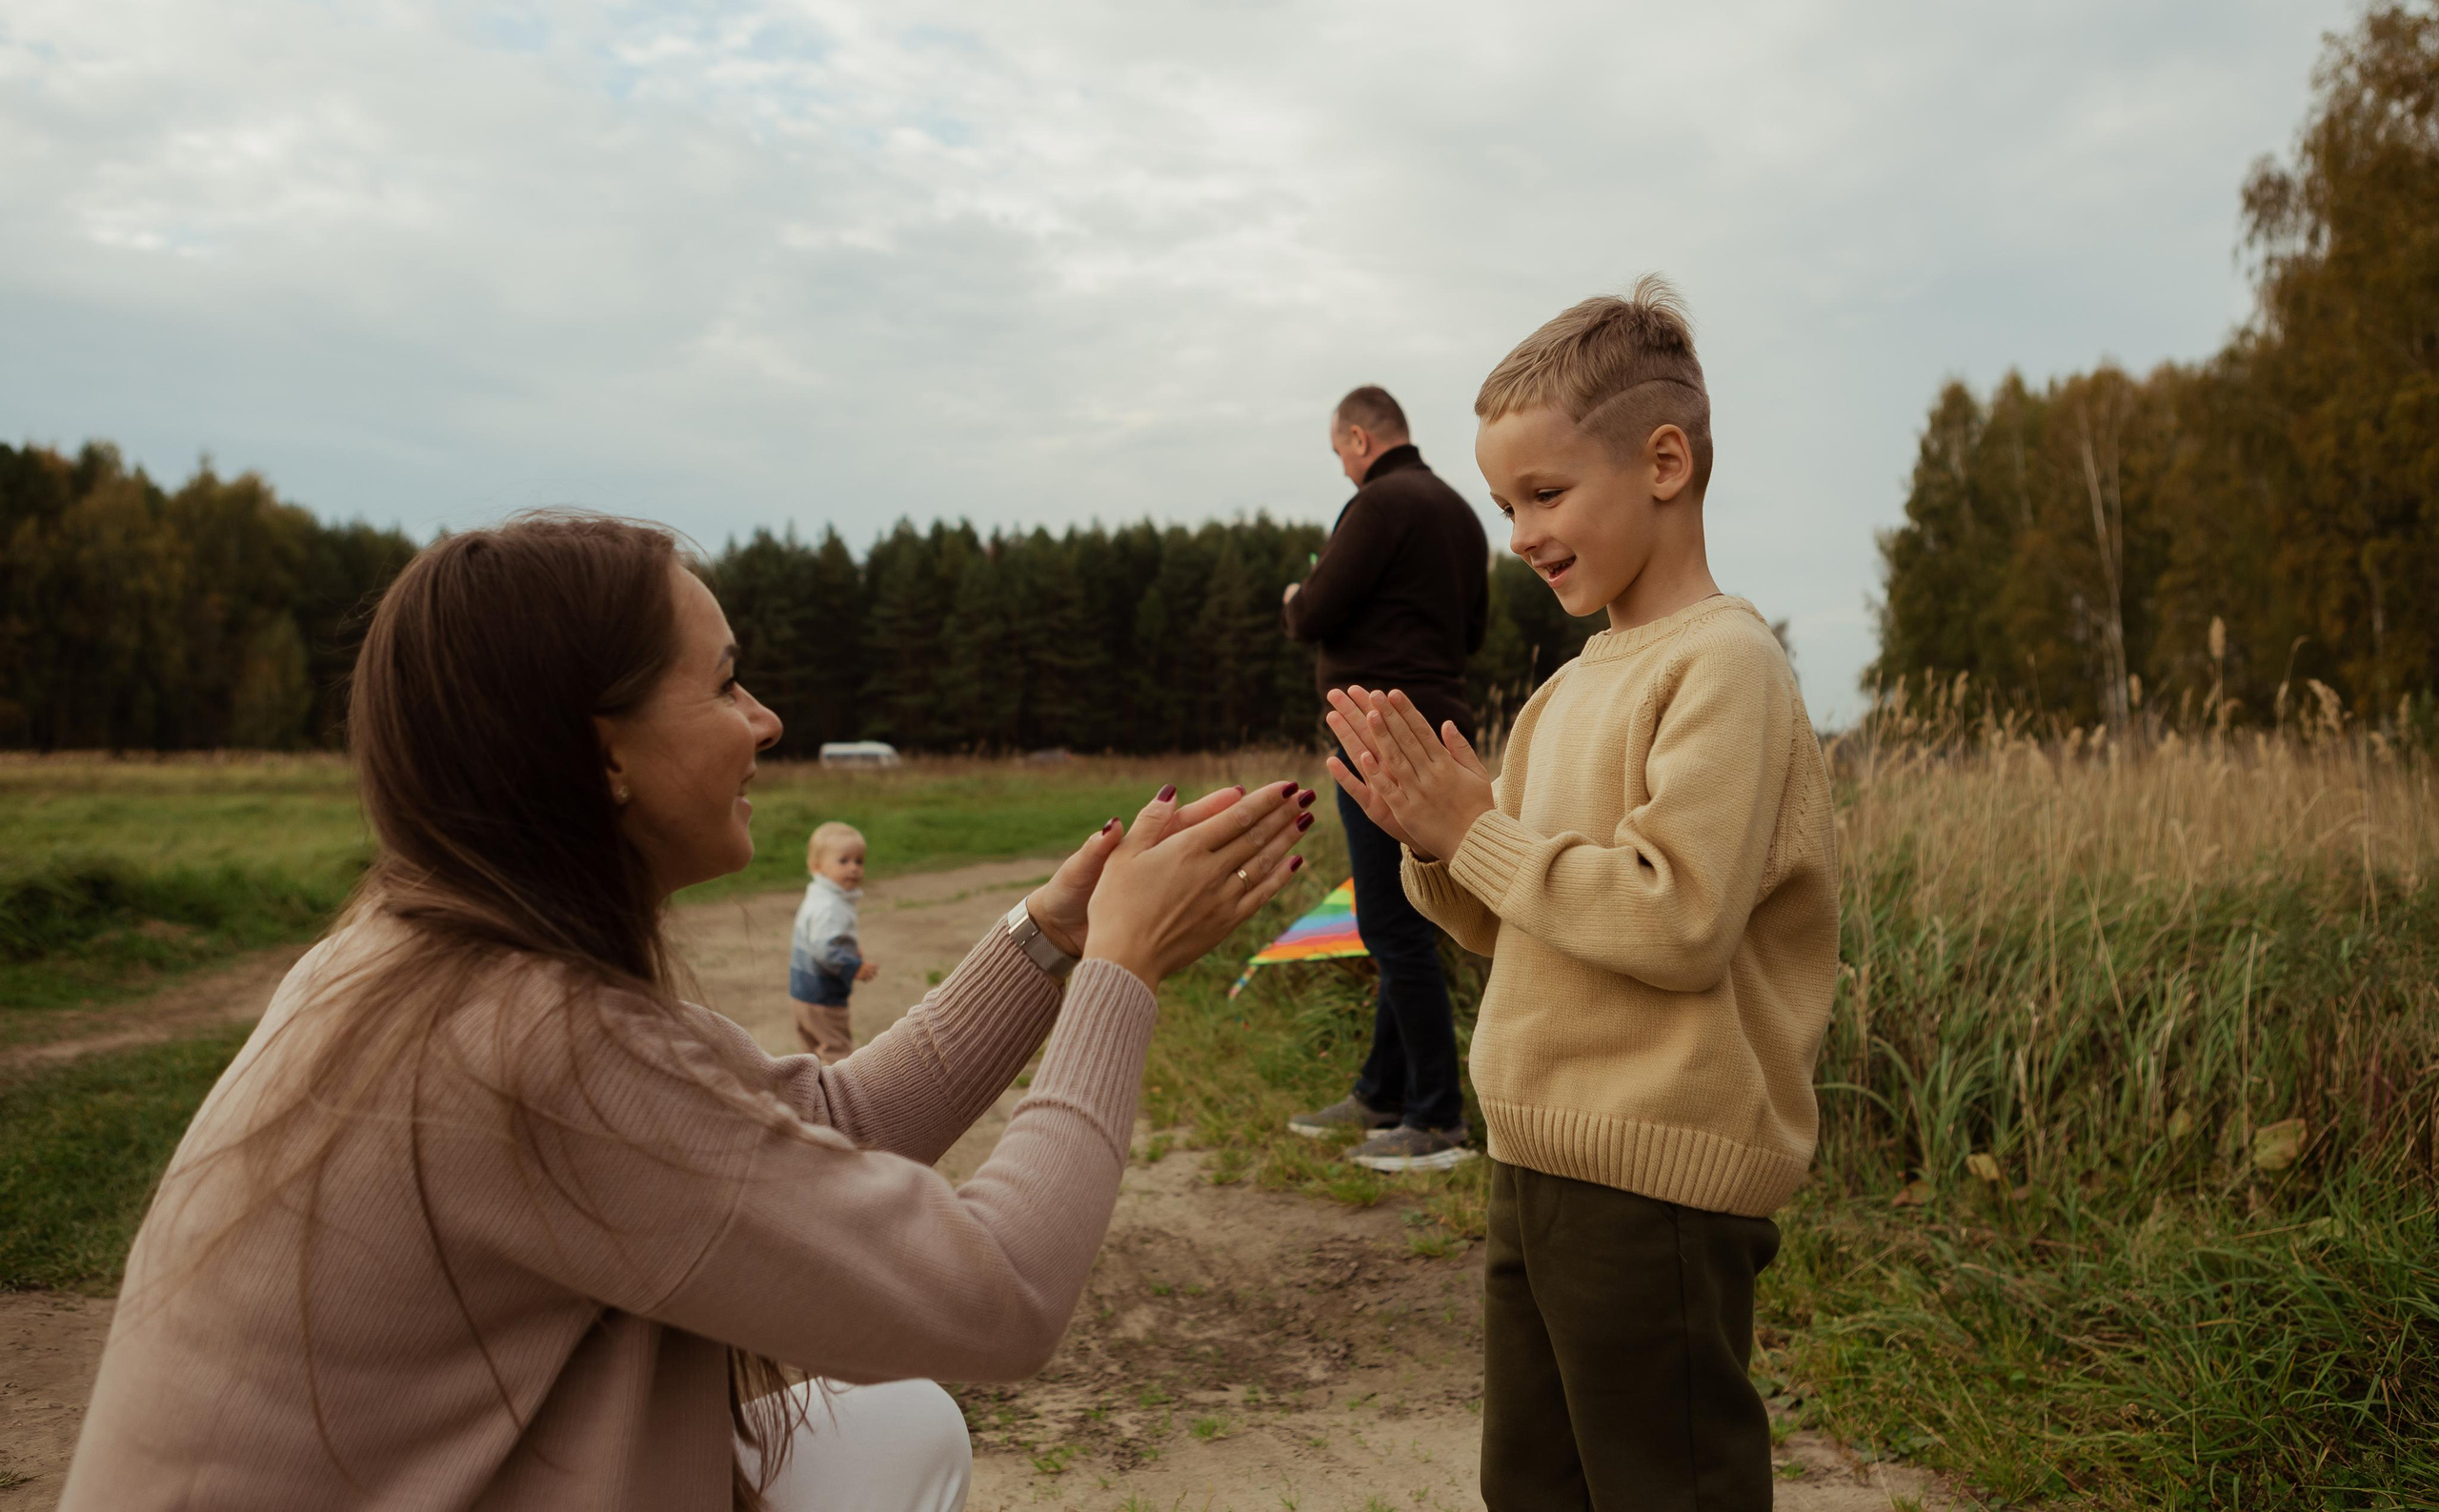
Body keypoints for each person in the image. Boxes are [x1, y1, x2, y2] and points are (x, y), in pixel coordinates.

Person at [61, 514, 1315, 1512]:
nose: (765, 720)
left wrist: (1052, 938)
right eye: (724, 685)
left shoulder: (423, 951)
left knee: (896, 1428)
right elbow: (997, 1293)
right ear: (600, 753)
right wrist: (1123, 975)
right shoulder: (531, 1046)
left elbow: (823, 1119)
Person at [1325, 279, 1839, 1512]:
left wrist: (1479, 831)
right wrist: (1435, 844)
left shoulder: (1727, 665)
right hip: (1541, 1151)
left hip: (1655, 1179)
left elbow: (1675, 915)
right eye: (1507, 504)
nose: (1519, 532)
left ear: (1665, 461)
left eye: (1545, 494)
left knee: (1664, 1484)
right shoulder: (1567, 686)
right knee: (1533, 1484)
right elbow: (1523, 919)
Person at [1280, 384, 1488, 1173]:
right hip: (1442, 728)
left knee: (1393, 924)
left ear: (1362, 439)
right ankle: (1380, 1092)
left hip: (1376, 728)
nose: (1343, 468)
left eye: (1341, 452)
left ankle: (1436, 1118)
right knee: (1411, 913)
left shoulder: (1377, 505)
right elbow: (1474, 630)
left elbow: (1316, 612)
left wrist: (1298, 595)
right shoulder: (1463, 515)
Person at [790, 821, 876, 1062]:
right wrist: (853, 966)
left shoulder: (818, 895)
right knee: (837, 1053)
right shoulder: (831, 906)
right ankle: (838, 1099)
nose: (854, 868)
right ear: (817, 866)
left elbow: (822, 937)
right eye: (844, 861)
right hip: (823, 996)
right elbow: (825, 948)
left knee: (809, 1056)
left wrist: (850, 948)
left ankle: (807, 1097)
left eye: (859, 861)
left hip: (801, 992)